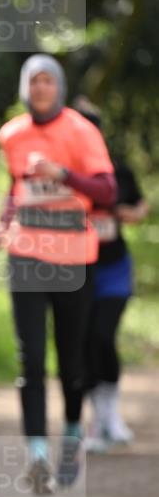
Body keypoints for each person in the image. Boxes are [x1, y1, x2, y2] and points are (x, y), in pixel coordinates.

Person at [0, 55, 117, 492]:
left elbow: (107, 190)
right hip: (27, 256)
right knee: (31, 359)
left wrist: (64, 174)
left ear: (58, 86)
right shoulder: (12, 134)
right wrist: (5, 223)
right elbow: (16, 186)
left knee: (71, 362)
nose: (40, 88)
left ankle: (73, 442)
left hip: (74, 259)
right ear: (25, 88)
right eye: (33, 81)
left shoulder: (82, 130)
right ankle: (38, 457)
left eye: (47, 80)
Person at [72, 97, 149, 451]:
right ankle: (95, 423)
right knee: (85, 343)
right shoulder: (62, 174)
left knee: (104, 336)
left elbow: (140, 206)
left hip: (115, 268)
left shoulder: (118, 170)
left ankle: (112, 416)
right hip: (76, 270)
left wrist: (125, 214)